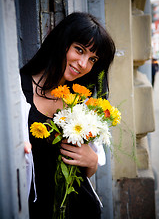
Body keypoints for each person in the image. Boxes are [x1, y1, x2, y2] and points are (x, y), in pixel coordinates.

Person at [20, 12, 115, 219]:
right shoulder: (18, 91)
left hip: (81, 210)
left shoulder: (80, 101)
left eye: (92, 59)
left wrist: (91, 161)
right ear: (62, 43)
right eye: (79, 50)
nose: (83, 64)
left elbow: (85, 170)